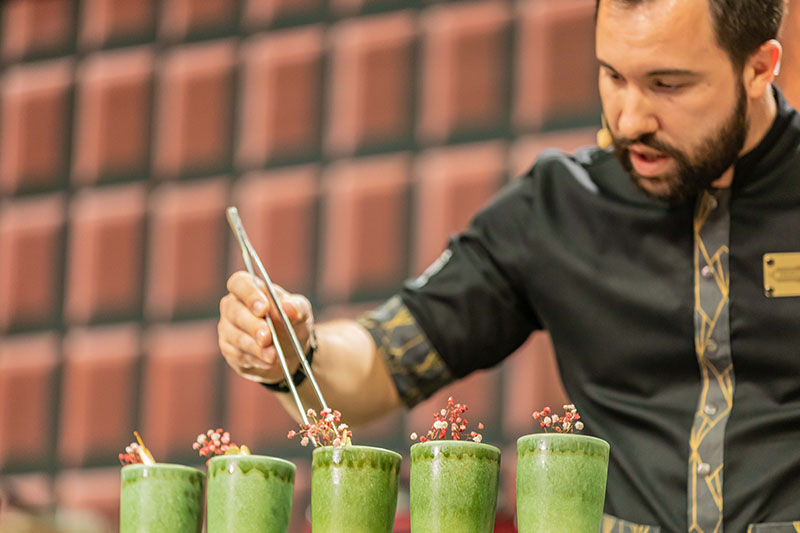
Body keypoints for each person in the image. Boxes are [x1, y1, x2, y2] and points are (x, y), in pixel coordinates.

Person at [218, 0, 800, 530]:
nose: (628, 120)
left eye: (667, 84)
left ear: (759, 67)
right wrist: (297, 350)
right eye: (612, 76)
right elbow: (381, 363)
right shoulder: (555, 208)